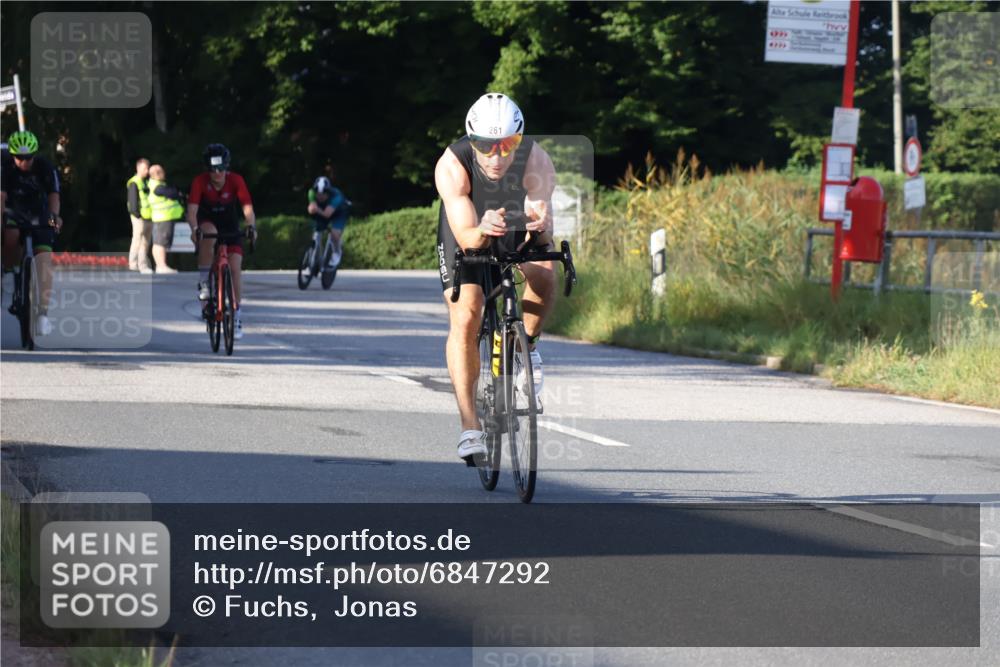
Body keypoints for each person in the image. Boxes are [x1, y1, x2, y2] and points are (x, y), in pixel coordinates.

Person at [434, 93, 557, 462]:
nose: (497, 155)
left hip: (513, 222)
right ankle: (470, 427)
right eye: (486, 146)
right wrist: (483, 228)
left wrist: (540, 227)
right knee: (467, 313)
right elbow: (468, 236)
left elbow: (542, 229)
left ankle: (528, 350)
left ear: (519, 140)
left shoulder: (536, 159)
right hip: (469, 228)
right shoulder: (452, 165)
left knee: (545, 271)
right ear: (473, 141)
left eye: (508, 145)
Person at [186, 143, 256, 340]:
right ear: (206, 169)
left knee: (235, 268)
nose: (217, 173)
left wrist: (251, 227)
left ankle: (237, 314)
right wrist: (194, 229)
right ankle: (205, 284)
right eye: (212, 169)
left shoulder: (236, 180)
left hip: (230, 224)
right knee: (208, 232)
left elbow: (247, 208)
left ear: (227, 167)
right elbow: (191, 211)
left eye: (221, 169)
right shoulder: (200, 182)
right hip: (206, 221)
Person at [1, 130, 63, 337]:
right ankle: (12, 270)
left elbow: (54, 196)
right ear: (12, 155)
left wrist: (54, 218)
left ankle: (43, 314)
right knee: (9, 236)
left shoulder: (45, 167)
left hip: (39, 212)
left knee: (44, 259)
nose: (24, 162)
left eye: (29, 157)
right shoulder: (4, 168)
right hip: (14, 210)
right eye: (19, 158)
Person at [146, 164, 182, 274]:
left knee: (158, 243)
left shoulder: (154, 185)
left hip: (160, 218)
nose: (163, 173)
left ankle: (160, 266)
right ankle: (162, 266)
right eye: (161, 172)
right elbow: (173, 193)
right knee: (160, 243)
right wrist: (177, 192)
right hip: (164, 217)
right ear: (156, 174)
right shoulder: (158, 187)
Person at [307, 176, 349, 269]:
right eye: (318, 194)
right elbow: (312, 207)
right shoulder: (311, 192)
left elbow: (327, 214)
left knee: (334, 233)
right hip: (323, 210)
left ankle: (337, 252)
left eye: (323, 194)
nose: (320, 197)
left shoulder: (336, 197)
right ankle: (312, 260)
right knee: (316, 232)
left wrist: (315, 209)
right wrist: (311, 208)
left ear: (328, 192)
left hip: (339, 213)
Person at [125, 158, 153, 274]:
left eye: (147, 168)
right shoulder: (134, 182)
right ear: (138, 168)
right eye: (145, 168)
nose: (147, 171)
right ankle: (133, 264)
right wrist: (137, 214)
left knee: (146, 242)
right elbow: (133, 201)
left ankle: (143, 265)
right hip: (138, 217)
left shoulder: (146, 182)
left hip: (148, 217)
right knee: (137, 240)